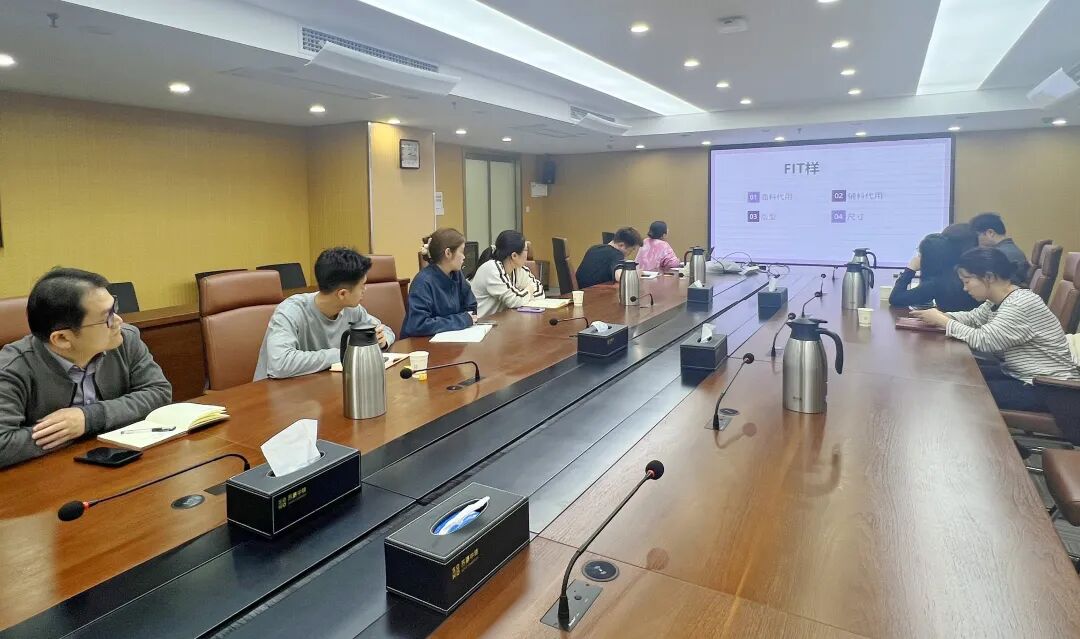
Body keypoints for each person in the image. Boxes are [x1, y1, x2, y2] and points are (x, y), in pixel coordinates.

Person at [0, 268, 172, 468]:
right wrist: (72, 430)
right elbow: (3, 445)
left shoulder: (126, 339)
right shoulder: (11, 368)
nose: (119, 321)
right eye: (107, 317)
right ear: (62, 338)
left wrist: (89, 419)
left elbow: (159, 392)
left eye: (114, 308)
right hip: (46, 475)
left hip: (117, 462)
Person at [912, 248, 1079, 412]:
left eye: (967, 281)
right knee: (957, 375)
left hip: (1051, 389)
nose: (965, 288)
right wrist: (941, 316)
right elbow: (973, 318)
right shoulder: (1000, 300)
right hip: (1022, 376)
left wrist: (943, 321)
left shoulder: (1020, 304)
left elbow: (985, 340)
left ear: (989, 277)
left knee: (963, 391)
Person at [254, 248, 395, 381]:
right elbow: (280, 363)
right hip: (272, 392)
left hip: (316, 386)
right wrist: (343, 353)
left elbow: (386, 331)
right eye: (362, 285)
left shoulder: (352, 309)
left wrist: (382, 341)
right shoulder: (290, 311)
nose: (365, 289)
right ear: (342, 294)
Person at [401, 228, 478, 337]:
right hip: (420, 343)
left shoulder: (457, 274)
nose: (464, 257)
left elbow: (471, 307)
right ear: (448, 253)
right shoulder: (422, 282)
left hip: (452, 337)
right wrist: (462, 320)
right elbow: (419, 324)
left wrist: (464, 319)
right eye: (461, 252)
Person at [888, 233, 978, 311]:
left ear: (928, 258)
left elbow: (895, 298)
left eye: (920, 254)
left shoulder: (936, 283)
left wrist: (910, 269)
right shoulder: (955, 272)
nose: (918, 257)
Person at [472, 230, 545, 317]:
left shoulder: (518, 269)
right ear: (514, 256)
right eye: (526, 250)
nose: (528, 254)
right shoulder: (492, 268)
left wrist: (523, 295)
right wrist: (529, 290)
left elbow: (540, 292)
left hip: (502, 321)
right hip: (482, 322)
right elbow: (514, 300)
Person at [968, 212, 1030, 283]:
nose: (977, 241)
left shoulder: (1000, 255)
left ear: (990, 233)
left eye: (978, 236)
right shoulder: (1010, 250)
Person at [575, 226, 643, 288]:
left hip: (579, 292)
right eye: (631, 250)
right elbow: (620, 277)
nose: (630, 253)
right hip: (593, 293)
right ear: (621, 245)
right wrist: (636, 274)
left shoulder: (594, 248)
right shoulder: (616, 254)